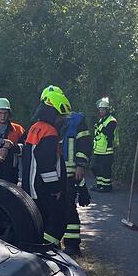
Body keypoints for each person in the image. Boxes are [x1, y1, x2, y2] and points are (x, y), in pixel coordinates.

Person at [40, 86, 92, 256]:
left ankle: (73, 245)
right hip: (54, 174)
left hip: (69, 174)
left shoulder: (76, 120)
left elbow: (85, 143)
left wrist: (80, 165)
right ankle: (55, 243)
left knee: (69, 208)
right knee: (54, 209)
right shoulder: (45, 124)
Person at [22, 90, 74, 246]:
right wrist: (56, 188)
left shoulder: (35, 127)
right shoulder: (49, 132)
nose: (63, 121)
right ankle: (47, 251)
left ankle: (40, 249)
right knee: (55, 223)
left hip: (32, 187)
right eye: (61, 116)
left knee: (39, 222)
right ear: (53, 114)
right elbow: (46, 165)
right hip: (44, 189)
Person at [92, 97, 118, 192]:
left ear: (107, 110)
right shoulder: (101, 120)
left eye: (103, 109)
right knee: (96, 168)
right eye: (100, 109)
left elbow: (109, 133)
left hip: (107, 150)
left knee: (105, 170)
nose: (101, 111)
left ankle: (107, 186)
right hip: (98, 149)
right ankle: (99, 185)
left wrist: (101, 126)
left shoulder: (112, 120)